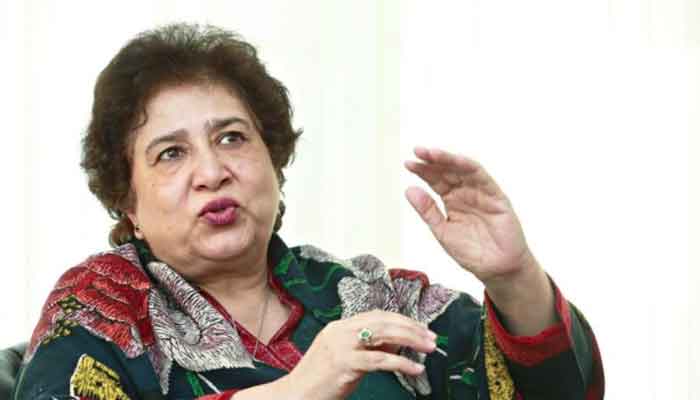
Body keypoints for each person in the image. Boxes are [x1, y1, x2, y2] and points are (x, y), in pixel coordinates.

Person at [12, 23, 604, 400]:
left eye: (232, 138)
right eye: (171, 153)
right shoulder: (101, 309)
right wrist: (298, 389)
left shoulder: (367, 295)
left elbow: (556, 391)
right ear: (129, 202)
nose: (211, 171)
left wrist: (513, 276)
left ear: (274, 162)